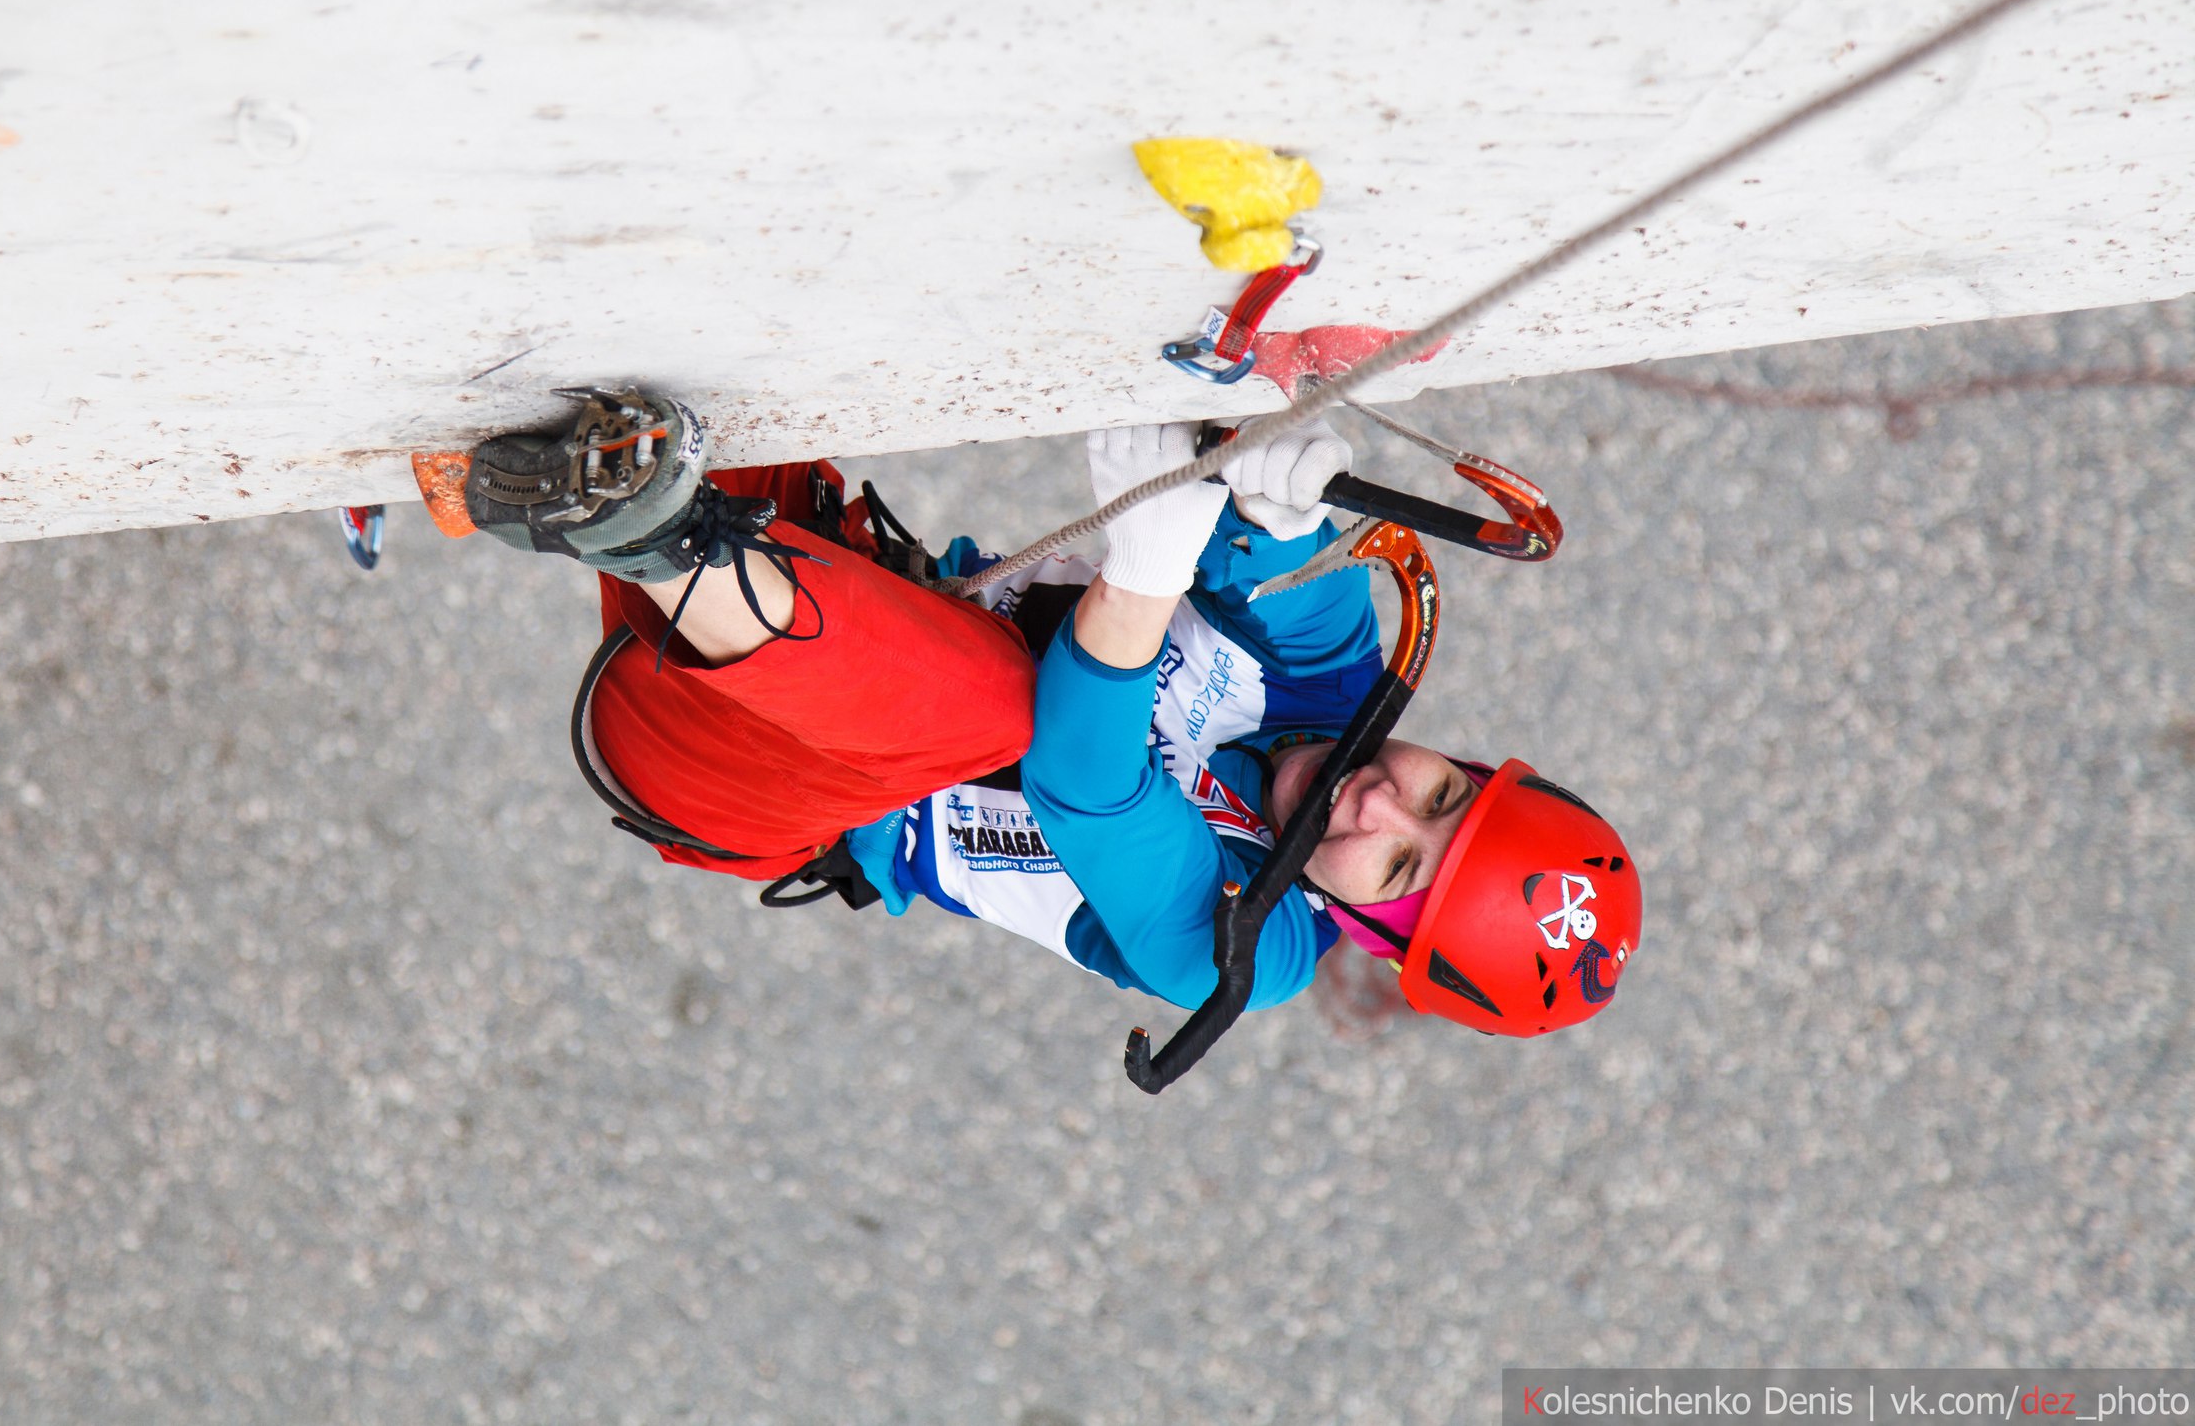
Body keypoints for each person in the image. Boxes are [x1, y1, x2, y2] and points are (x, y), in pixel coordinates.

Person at [441, 387, 1641, 1038]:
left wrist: (1141, 580)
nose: (1378, 802)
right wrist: (1280, 501)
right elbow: (1279, 577)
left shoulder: (1246, 953)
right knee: (693, 356)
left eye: (1398, 865)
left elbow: (1087, 780)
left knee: (995, 707)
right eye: (1441, 793)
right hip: (801, 580)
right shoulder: (1337, 690)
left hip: (740, 772)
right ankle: (592, 494)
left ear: (1373, 934)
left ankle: (638, 530)